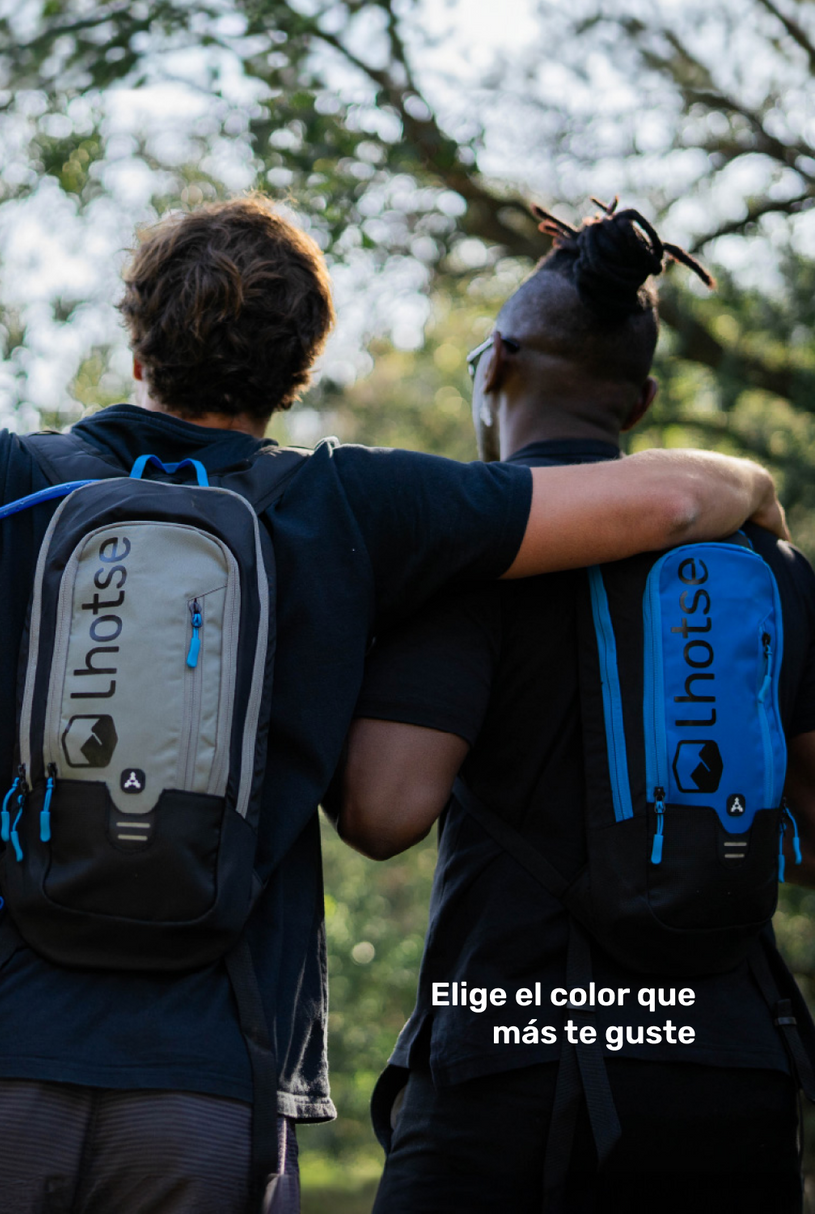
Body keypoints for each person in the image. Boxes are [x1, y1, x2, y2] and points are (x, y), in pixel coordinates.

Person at [0, 195, 791, 1214]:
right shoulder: (356, 508)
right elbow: (664, 504)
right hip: (211, 1085)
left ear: (136, 346)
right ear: (301, 365)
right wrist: (751, 483)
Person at [334, 201, 815, 1212]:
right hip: (725, 1056)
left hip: (509, 1057)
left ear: (494, 365)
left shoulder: (467, 557)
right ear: (637, 401)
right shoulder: (766, 565)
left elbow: (386, 806)